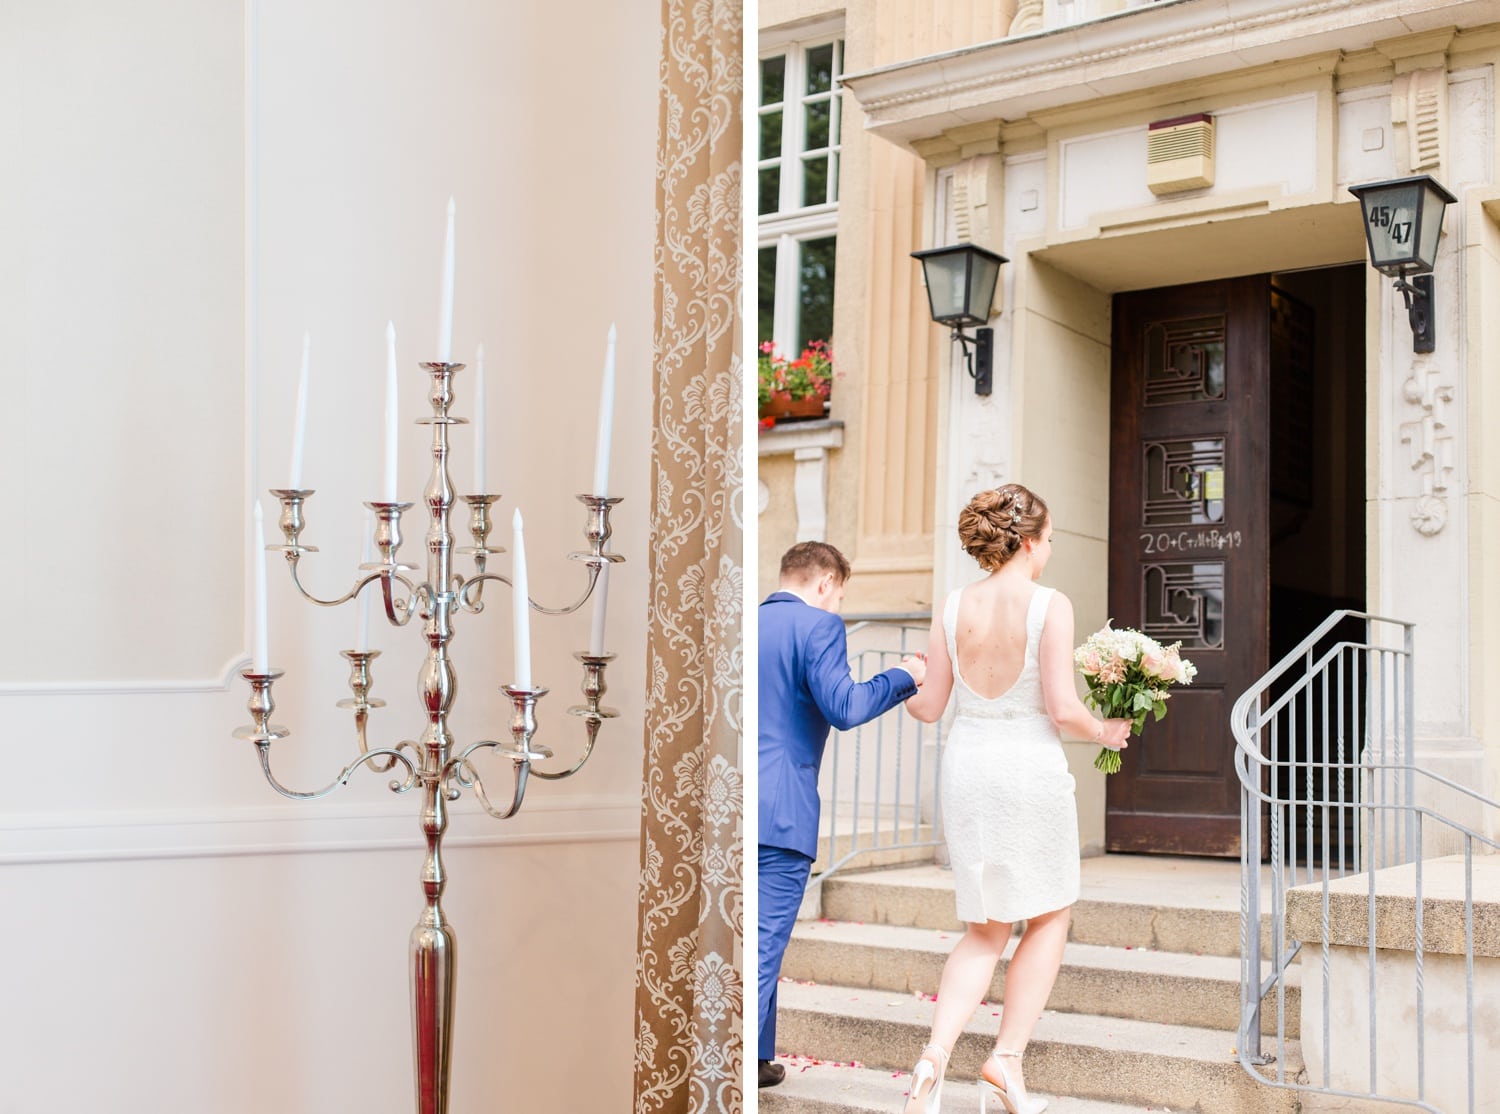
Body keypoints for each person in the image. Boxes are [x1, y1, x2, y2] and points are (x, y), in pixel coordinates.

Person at [898, 485, 1131, 1114]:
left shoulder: (952, 607)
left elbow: (928, 707)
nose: (1051, 549)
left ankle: (933, 1060)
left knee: (984, 929)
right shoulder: (1049, 605)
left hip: (968, 766)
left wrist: (911, 674)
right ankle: (1005, 1060)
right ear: (1028, 541)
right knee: (1049, 913)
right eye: (1050, 538)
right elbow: (1060, 709)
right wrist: (1107, 730)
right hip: (1026, 768)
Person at [757, 541, 928, 1089]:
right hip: (782, 812)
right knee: (761, 950)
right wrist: (904, 674)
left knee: (749, 940)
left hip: (730, 807)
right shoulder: (819, 626)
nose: (837, 608)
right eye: (840, 596)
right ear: (825, 582)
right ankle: (727, 1074)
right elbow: (847, 707)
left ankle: (758, 1061)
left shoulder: (742, 623)